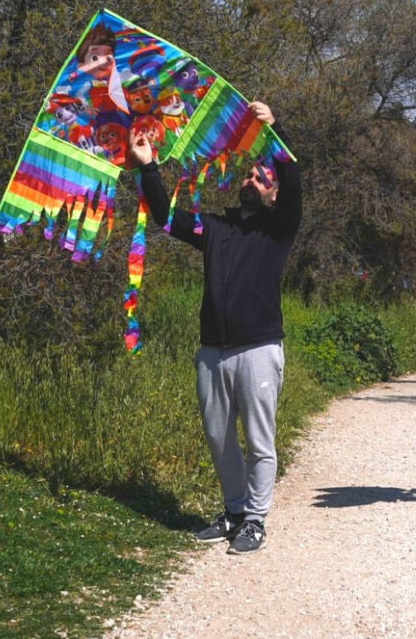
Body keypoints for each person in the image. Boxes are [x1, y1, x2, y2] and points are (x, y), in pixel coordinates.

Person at [129, 101, 301, 554]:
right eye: (248, 174)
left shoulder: (279, 228)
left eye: (262, 178)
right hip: (213, 350)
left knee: (260, 441)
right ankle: (235, 511)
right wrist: (148, 168)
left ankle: (256, 521)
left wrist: (274, 132)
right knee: (218, 436)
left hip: (259, 348)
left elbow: (296, 181)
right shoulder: (216, 227)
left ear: (274, 193)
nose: (251, 180)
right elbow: (166, 218)